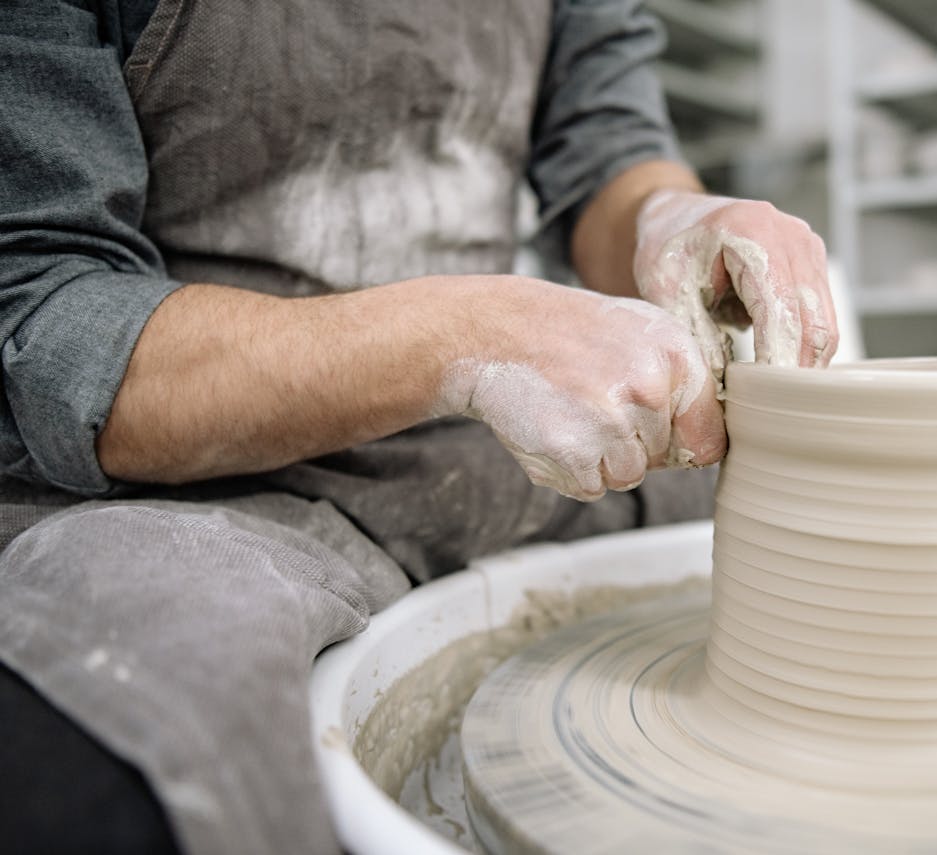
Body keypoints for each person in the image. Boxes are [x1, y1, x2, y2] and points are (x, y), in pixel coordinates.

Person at [0, 1, 839, 852]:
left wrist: (670, 217)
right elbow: (49, 320)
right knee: (118, 769)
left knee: (806, 527)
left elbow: (607, 157)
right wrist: (467, 337)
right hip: (201, 484)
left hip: (485, 450)